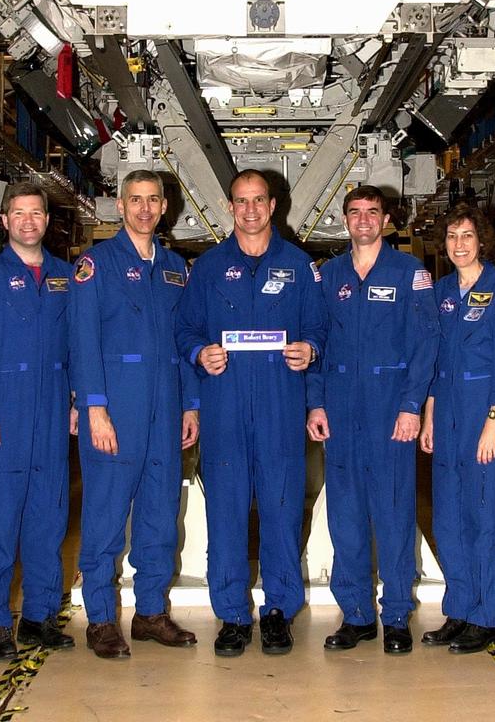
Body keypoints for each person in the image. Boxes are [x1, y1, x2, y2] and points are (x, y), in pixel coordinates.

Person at [175, 169, 328, 657]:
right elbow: (184, 331)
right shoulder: (208, 268)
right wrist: (200, 352)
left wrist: (312, 350)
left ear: (273, 205)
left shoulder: (300, 266)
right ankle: (234, 615)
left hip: (281, 407)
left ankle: (279, 610)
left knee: (283, 509)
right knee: (226, 512)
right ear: (230, 207)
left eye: (259, 200)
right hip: (225, 407)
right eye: (241, 201)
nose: (251, 210)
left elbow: (320, 329)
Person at [71, 170, 199, 660]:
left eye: (152, 200)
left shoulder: (175, 269)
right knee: (105, 516)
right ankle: (101, 618)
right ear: (119, 206)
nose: (144, 209)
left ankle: (150, 614)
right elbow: (82, 342)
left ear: (164, 207)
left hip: (165, 407)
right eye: (134, 200)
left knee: (160, 518)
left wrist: (190, 405)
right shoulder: (95, 265)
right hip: (116, 407)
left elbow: (184, 342)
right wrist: (94, 408)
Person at [307, 185, 438, 655]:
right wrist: (316, 403)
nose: (363, 220)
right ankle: (357, 614)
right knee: (345, 515)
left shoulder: (410, 273)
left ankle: (397, 613)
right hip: (341, 407)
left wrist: (411, 406)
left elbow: (425, 346)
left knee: (394, 511)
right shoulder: (330, 275)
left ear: (386, 220)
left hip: (389, 407)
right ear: (345, 219)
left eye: (372, 213)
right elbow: (315, 342)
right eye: (355, 213)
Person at [0, 181, 75, 660]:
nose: (29, 221)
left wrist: (75, 401)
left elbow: (78, 346)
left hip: (51, 411)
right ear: (5, 222)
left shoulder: (68, 278)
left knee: (49, 519)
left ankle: (39, 616)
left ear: (47, 221)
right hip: (3, 413)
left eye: (37, 213)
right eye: (19, 214)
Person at [419, 204, 495, 653]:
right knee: (447, 520)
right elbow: (432, 359)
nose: (459, 245)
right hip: (445, 416)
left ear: (481, 241)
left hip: (485, 416)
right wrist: (427, 416)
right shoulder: (441, 293)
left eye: (467, 236)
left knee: (485, 520)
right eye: (452, 237)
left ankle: (485, 616)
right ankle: (459, 609)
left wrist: (494, 423)